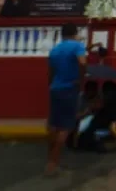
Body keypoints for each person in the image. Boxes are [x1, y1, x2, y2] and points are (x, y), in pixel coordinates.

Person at [45, 23, 87, 176]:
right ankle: (53, 163)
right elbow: (82, 63)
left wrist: (51, 84)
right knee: (65, 127)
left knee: (53, 125)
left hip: (55, 88)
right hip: (69, 88)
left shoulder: (55, 49)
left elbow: (50, 72)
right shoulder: (77, 46)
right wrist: (81, 79)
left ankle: (50, 157)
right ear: (75, 33)